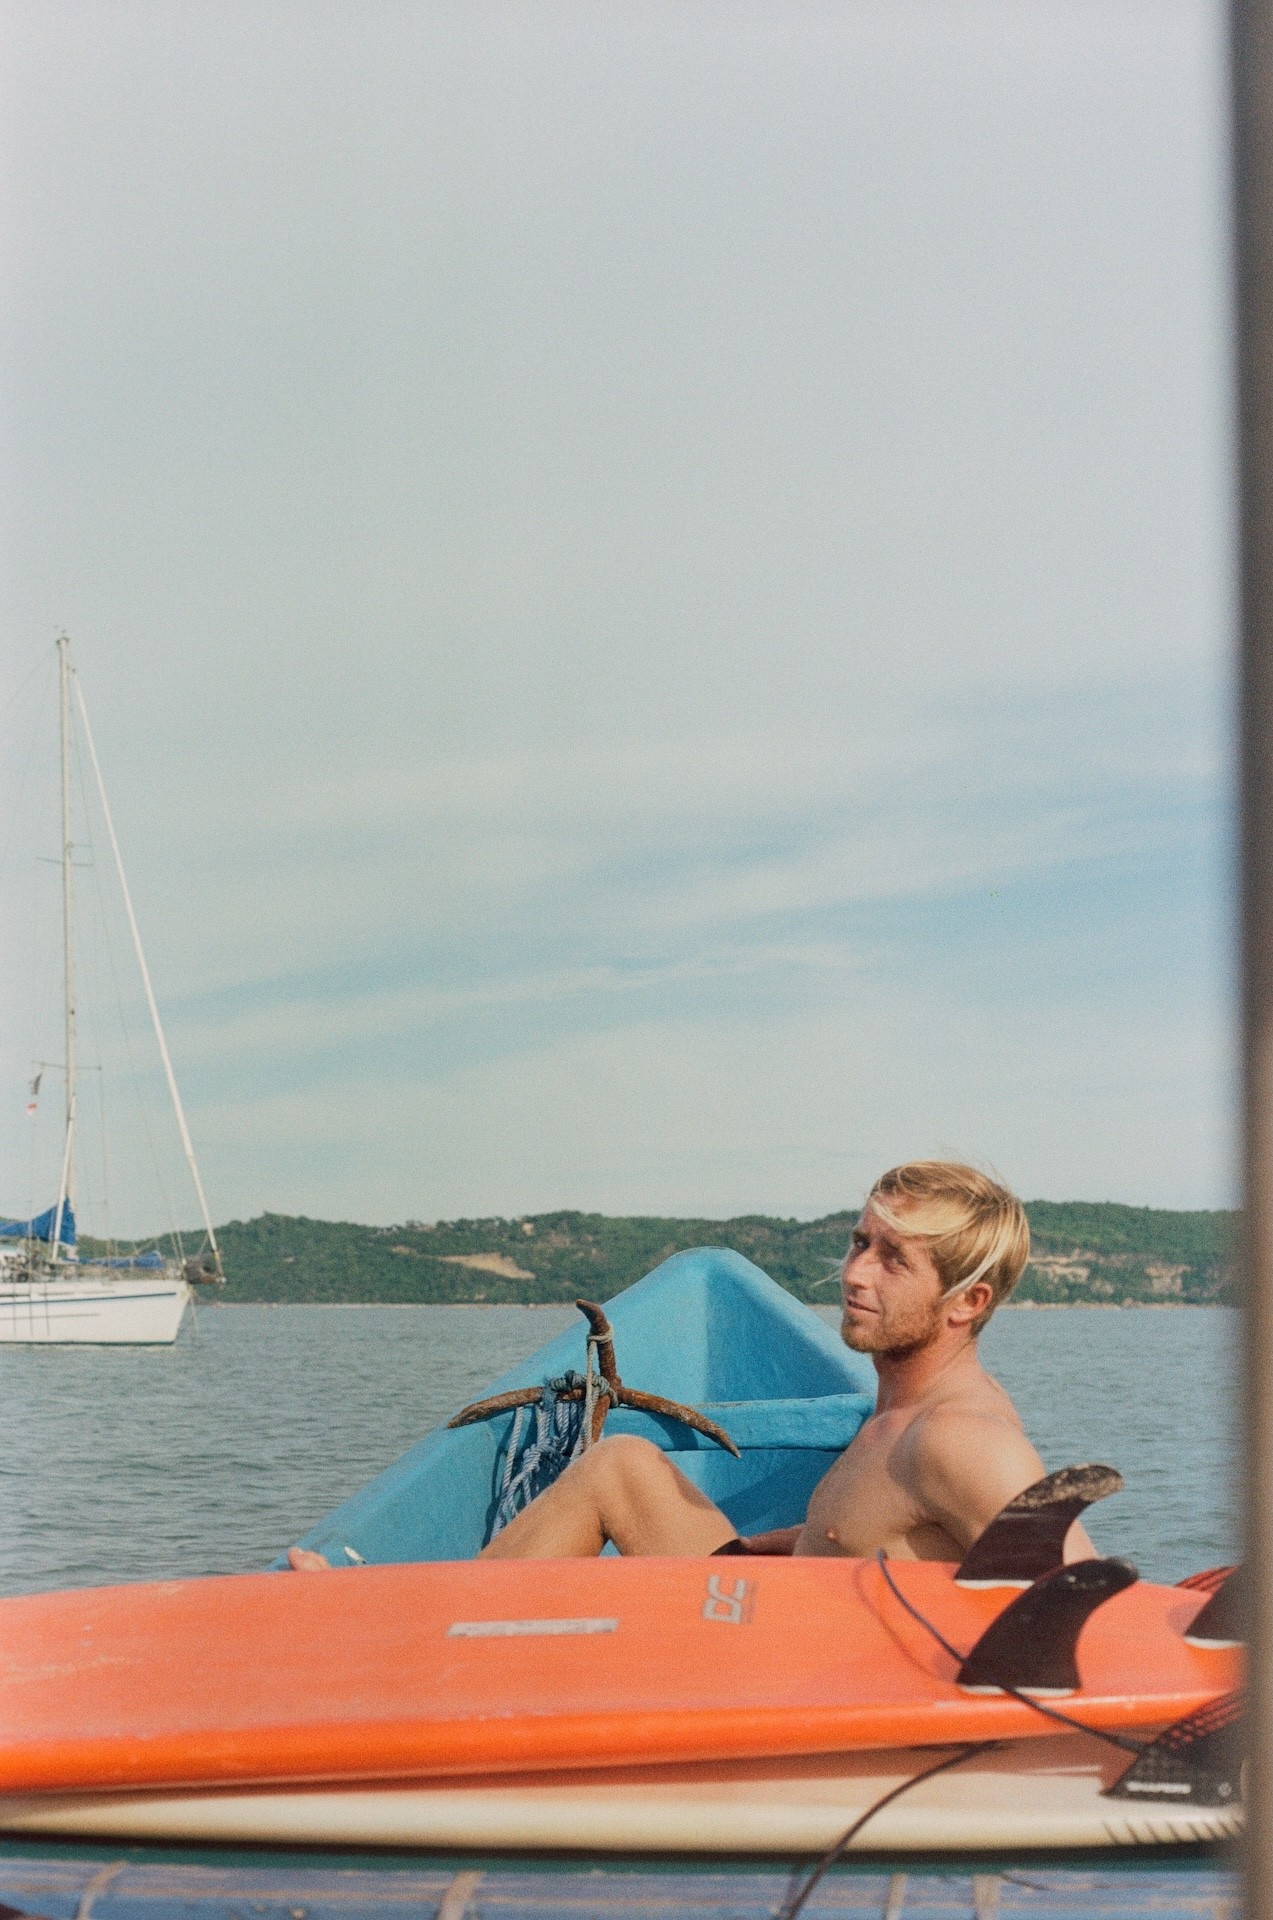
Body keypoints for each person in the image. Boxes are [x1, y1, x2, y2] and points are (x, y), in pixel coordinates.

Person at [288, 1161, 1092, 1570]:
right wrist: (787, 1543)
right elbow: (869, 1538)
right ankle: (438, 1613)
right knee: (623, 1465)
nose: (853, 1274)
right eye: (858, 1243)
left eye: (894, 1261)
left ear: (965, 1302)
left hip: (789, 1684)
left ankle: (414, 1631)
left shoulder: (961, 1440)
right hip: (779, 1616)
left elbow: (1081, 1605)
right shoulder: (896, 1412)